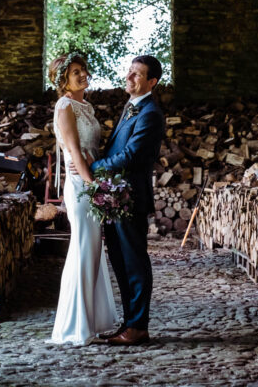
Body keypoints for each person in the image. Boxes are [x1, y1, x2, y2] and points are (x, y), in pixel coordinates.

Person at [89, 55, 165, 346]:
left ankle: (138, 327)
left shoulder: (150, 113)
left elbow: (131, 156)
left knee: (134, 263)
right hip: (115, 197)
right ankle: (129, 322)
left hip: (130, 197)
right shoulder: (131, 107)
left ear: (151, 82)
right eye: (130, 71)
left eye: (137, 74)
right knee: (120, 262)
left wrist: (92, 168)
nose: (129, 77)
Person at [47, 53, 119, 345]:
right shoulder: (65, 106)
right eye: (75, 72)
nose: (82, 74)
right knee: (82, 250)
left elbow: (90, 149)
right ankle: (75, 327)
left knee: (93, 252)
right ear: (63, 79)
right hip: (80, 187)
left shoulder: (85, 105)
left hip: (91, 179)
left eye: (83, 70)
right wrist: (97, 188)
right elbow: (74, 152)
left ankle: (92, 320)